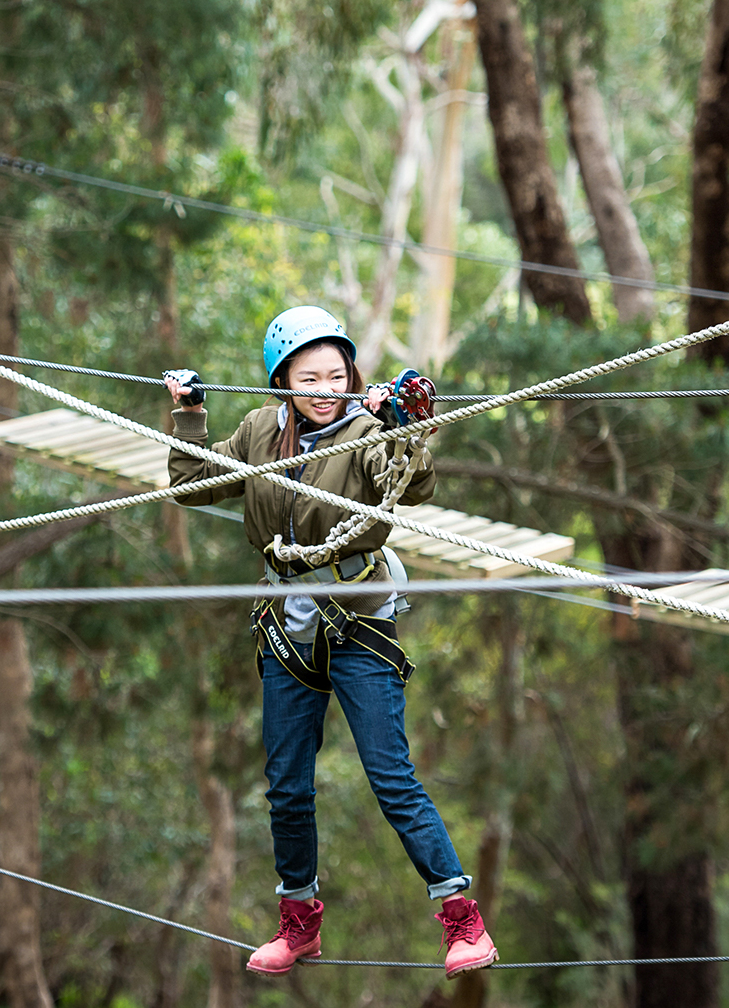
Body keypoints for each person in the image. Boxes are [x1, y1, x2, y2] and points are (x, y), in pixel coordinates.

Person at [164, 306, 496, 981]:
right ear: (281, 380)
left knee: (391, 776)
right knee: (286, 786)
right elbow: (192, 484)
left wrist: (405, 429)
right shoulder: (261, 431)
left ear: (352, 375)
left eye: (335, 373)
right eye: (308, 375)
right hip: (286, 622)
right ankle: (298, 922)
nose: (324, 386)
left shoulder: (368, 430)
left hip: (357, 620)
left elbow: (414, 483)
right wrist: (191, 414)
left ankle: (463, 921)